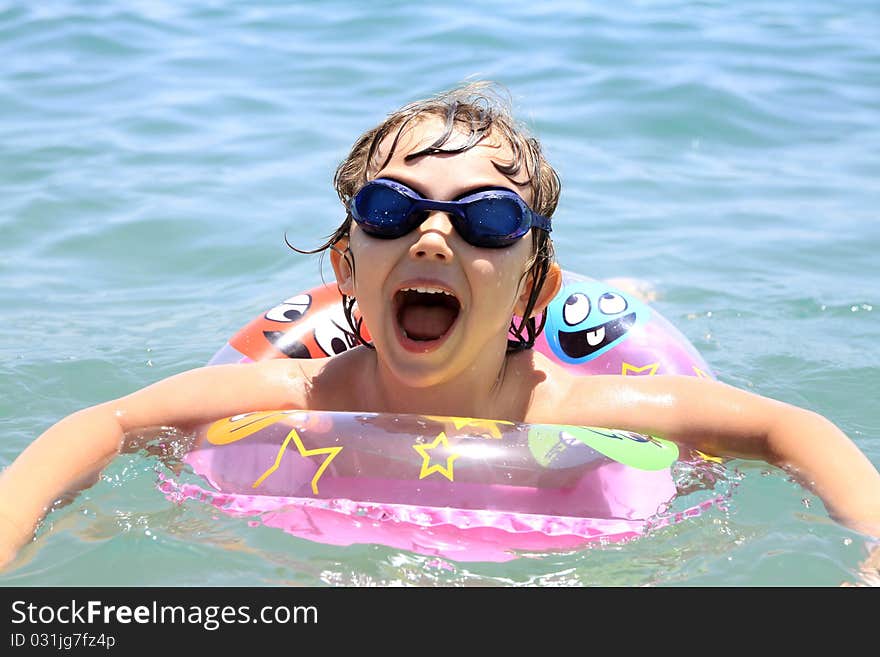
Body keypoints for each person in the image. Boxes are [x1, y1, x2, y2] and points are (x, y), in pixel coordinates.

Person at [2, 81, 879, 574]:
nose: (431, 233)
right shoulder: (298, 390)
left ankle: (619, 291)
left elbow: (785, 428)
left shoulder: (585, 404)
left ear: (532, 286)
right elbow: (108, 424)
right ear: (348, 269)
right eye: (391, 209)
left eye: (486, 220)